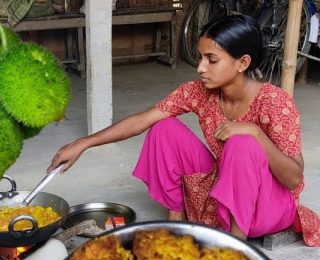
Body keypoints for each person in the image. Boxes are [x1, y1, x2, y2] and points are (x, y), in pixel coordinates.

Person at [48, 15, 320, 246]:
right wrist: (83, 143)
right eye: (201, 57)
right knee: (163, 127)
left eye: (211, 60)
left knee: (243, 142)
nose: (200, 67)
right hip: (227, 187)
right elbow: (142, 120)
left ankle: (236, 247)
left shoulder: (274, 101)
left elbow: (294, 179)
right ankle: (174, 225)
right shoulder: (199, 92)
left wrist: (255, 133)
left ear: (243, 63)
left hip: (268, 208)